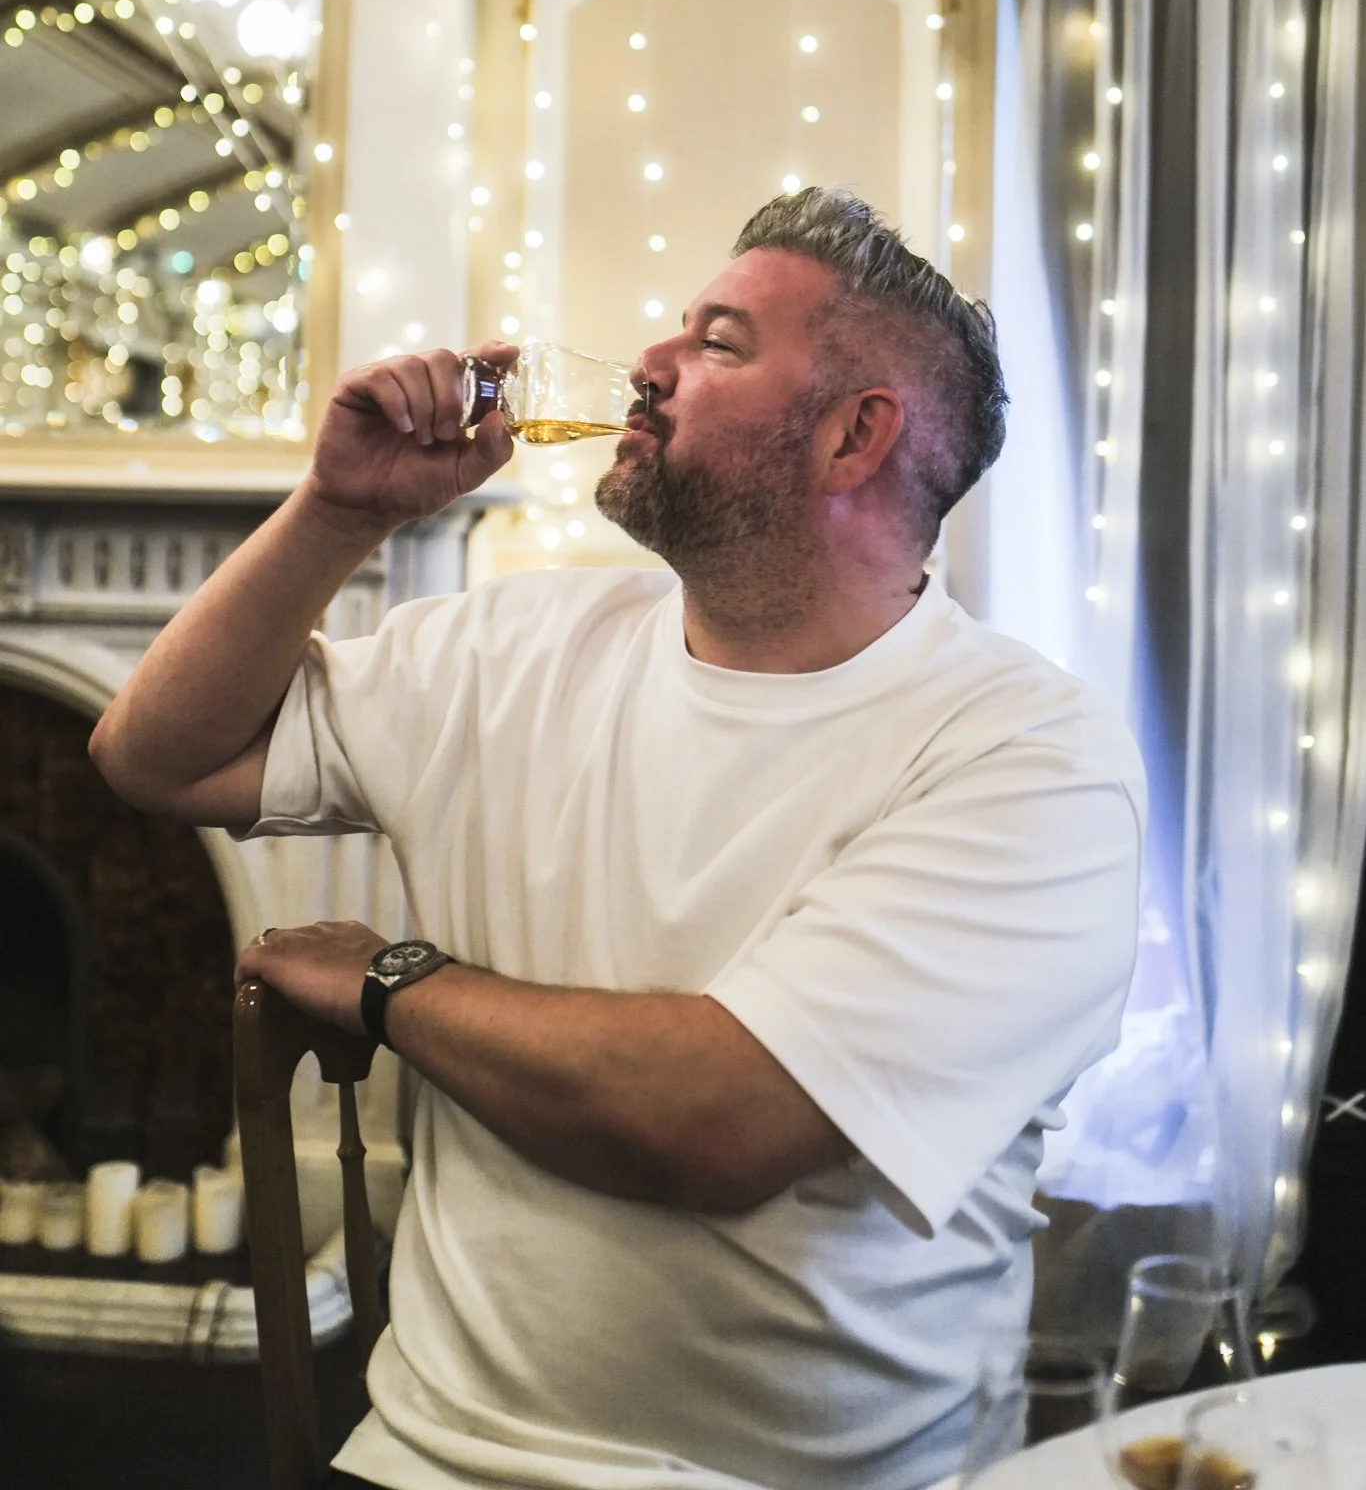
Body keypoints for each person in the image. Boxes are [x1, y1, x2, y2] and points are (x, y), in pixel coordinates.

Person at [90, 186, 1145, 1490]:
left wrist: (392, 983)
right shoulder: (509, 647)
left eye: (716, 342)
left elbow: (716, 1121)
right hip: (426, 1459)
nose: (649, 362)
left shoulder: (1027, 756)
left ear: (854, 435)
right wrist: (339, 513)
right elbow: (155, 757)